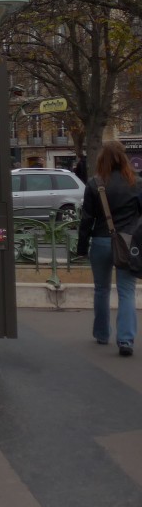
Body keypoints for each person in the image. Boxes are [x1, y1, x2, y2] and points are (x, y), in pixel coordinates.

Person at [75, 140, 139, 357]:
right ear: (124, 159)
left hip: (101, 241)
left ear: (102, 158)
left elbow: (87, 219)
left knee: (101, 290)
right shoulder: (136, 183)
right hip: (127, 242)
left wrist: (81, 247)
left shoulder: (95, 183)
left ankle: (102, 334)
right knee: (127, 291)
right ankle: (126, 340)